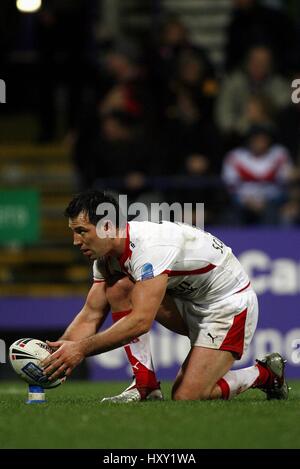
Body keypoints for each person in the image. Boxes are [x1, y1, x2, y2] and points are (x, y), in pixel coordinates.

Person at [42, 190, 289, 402]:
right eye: (73, 232)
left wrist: (80, 350)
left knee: (187, 396)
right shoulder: (106, 257)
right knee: (118, 287)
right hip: (188, 301)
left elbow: (140, 322)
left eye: (82, 231)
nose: (75, 241)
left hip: (227, 306)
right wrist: (53, 356)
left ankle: (265, 374)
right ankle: (145, 386)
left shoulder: (150, 248)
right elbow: (91, 314)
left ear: (107, 227)